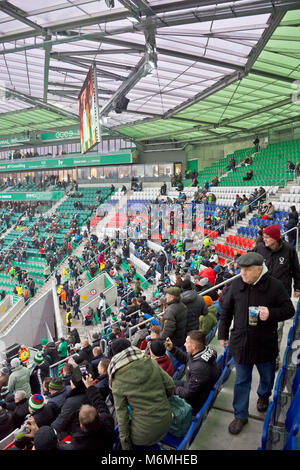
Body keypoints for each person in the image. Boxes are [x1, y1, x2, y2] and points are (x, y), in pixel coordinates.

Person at [218, 252, 295, 435]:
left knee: (267, 377)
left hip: (265, 343)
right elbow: (226, 312)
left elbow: (289, 310)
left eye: (246, 270)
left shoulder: (275, 286)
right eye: (241, 269)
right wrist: (222, 334)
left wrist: (271, 314)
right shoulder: (236, 284)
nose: (242, 274)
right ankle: (240, 415)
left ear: (259, 269)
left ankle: (263, 396)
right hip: (241, 343)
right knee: (242, 381)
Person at [107, 338, 174, 450]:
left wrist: (125, 446)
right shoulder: (150, 361)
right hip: (166, 422)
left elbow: (122, 417)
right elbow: (170, 386)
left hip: (144, 435)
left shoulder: (117, 378)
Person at [165, 330, 218, 413]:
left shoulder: (199, 369)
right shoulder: (201, 351)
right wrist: (172, 349)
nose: (184, 344)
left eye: (186, 342)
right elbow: (187, 359)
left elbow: (189, 394)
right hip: (192, 387)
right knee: (167, 383)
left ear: (193, 346)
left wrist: (171, 389)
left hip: (195, 401)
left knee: (165, 389)